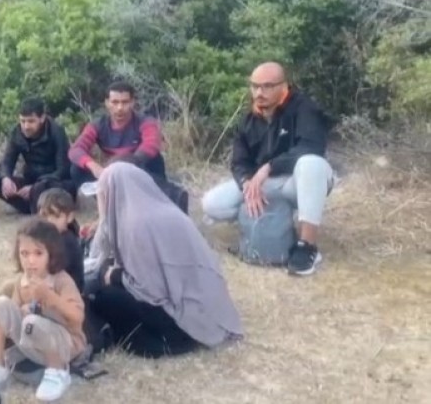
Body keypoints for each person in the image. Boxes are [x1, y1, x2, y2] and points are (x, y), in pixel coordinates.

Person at [85, 162, 243, 358]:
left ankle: (153, 342)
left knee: (104, 298)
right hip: (208, 310)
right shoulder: (165, 211)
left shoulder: (136, 225)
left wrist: (114, 276)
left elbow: (148, 289)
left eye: (102, 193)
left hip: (181, 324)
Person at [201, 62, 335, 276]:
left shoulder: (304, 107)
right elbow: (239, 162)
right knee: (211, 203)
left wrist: (269, 167)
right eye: (254, 86)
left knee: (311, 163)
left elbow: (312, 146)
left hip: (296, 183)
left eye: (267, 86)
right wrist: (247, 183)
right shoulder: (248, 119)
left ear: (284, 86)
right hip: (264, 184)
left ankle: (307, 246)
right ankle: (262, 226)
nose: (259, 93)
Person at [0, 218, 86, 402]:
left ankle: (58, 372)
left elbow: (77, 317)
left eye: (38, 253)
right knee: (0, 304)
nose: (30, 260)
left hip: (64, 347)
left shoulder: (61, 280)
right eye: (24, 253)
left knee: (33, 323)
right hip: (32, 344)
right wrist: (19, 312)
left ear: (52, 254)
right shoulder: (22, 281)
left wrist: (51, 297)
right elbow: (13, 315)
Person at [68, 81, 166, 191]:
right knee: (77, 168)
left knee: (154, 159)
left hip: (138, 169)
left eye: (125, 102)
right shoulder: (98, 125)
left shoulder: (146, 122)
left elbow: (151, 145)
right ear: (107, 103)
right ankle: (97, 196)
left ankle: (155, 193)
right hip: (112, 172)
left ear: (132, 102)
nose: (120, 107)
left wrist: (123, 166)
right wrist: (94, 166)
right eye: (115, 102)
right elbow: (76, 149)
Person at [0, 98, 73, 214]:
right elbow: (7, 161)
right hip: (31, 180)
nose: (26, 126)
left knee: (39, 189)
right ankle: (33, 206)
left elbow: (63, 170)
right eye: (23, 121)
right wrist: (6, 178)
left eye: (31, 121)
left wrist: (37, 185)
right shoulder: (17, 132)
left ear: (42, 118)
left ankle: (37, 208)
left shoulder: (56, 132)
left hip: (54, 183)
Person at [37, 189, 83, 290]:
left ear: (69, 217)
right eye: (44, 216)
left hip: (67, 293)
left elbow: (52, 270)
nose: (49, 221)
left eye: (56, 216)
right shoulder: (48, 238)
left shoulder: (67, 242)